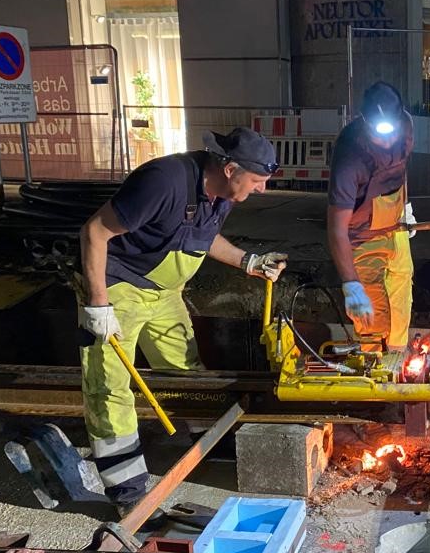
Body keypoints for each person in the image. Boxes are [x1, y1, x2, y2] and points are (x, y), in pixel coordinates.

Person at [78, 127, 288, 514]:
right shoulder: (163, 182)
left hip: (165, 293)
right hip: (120, 287)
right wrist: (98, 303)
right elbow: (94, 231)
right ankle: (128, 490)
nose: (260, 190)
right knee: (109, 386)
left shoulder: (221, 194)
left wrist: (249, 262)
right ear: (230, 169)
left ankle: (207, 444)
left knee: (185, 371)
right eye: (257, 181)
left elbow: (202, 238)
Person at [327, 81, 416, 350]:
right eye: (381, 135)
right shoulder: (350, 157)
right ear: (365, 124)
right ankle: (374, 375)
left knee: (401, 291)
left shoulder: (407, 125)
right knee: (373, 321)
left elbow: (401, 170)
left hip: (395, 225)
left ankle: (397, 362)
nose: (389, 142)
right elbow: (336, 230)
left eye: (393, 132)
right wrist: (351, 284)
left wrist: (405, 208)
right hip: (361, 238)